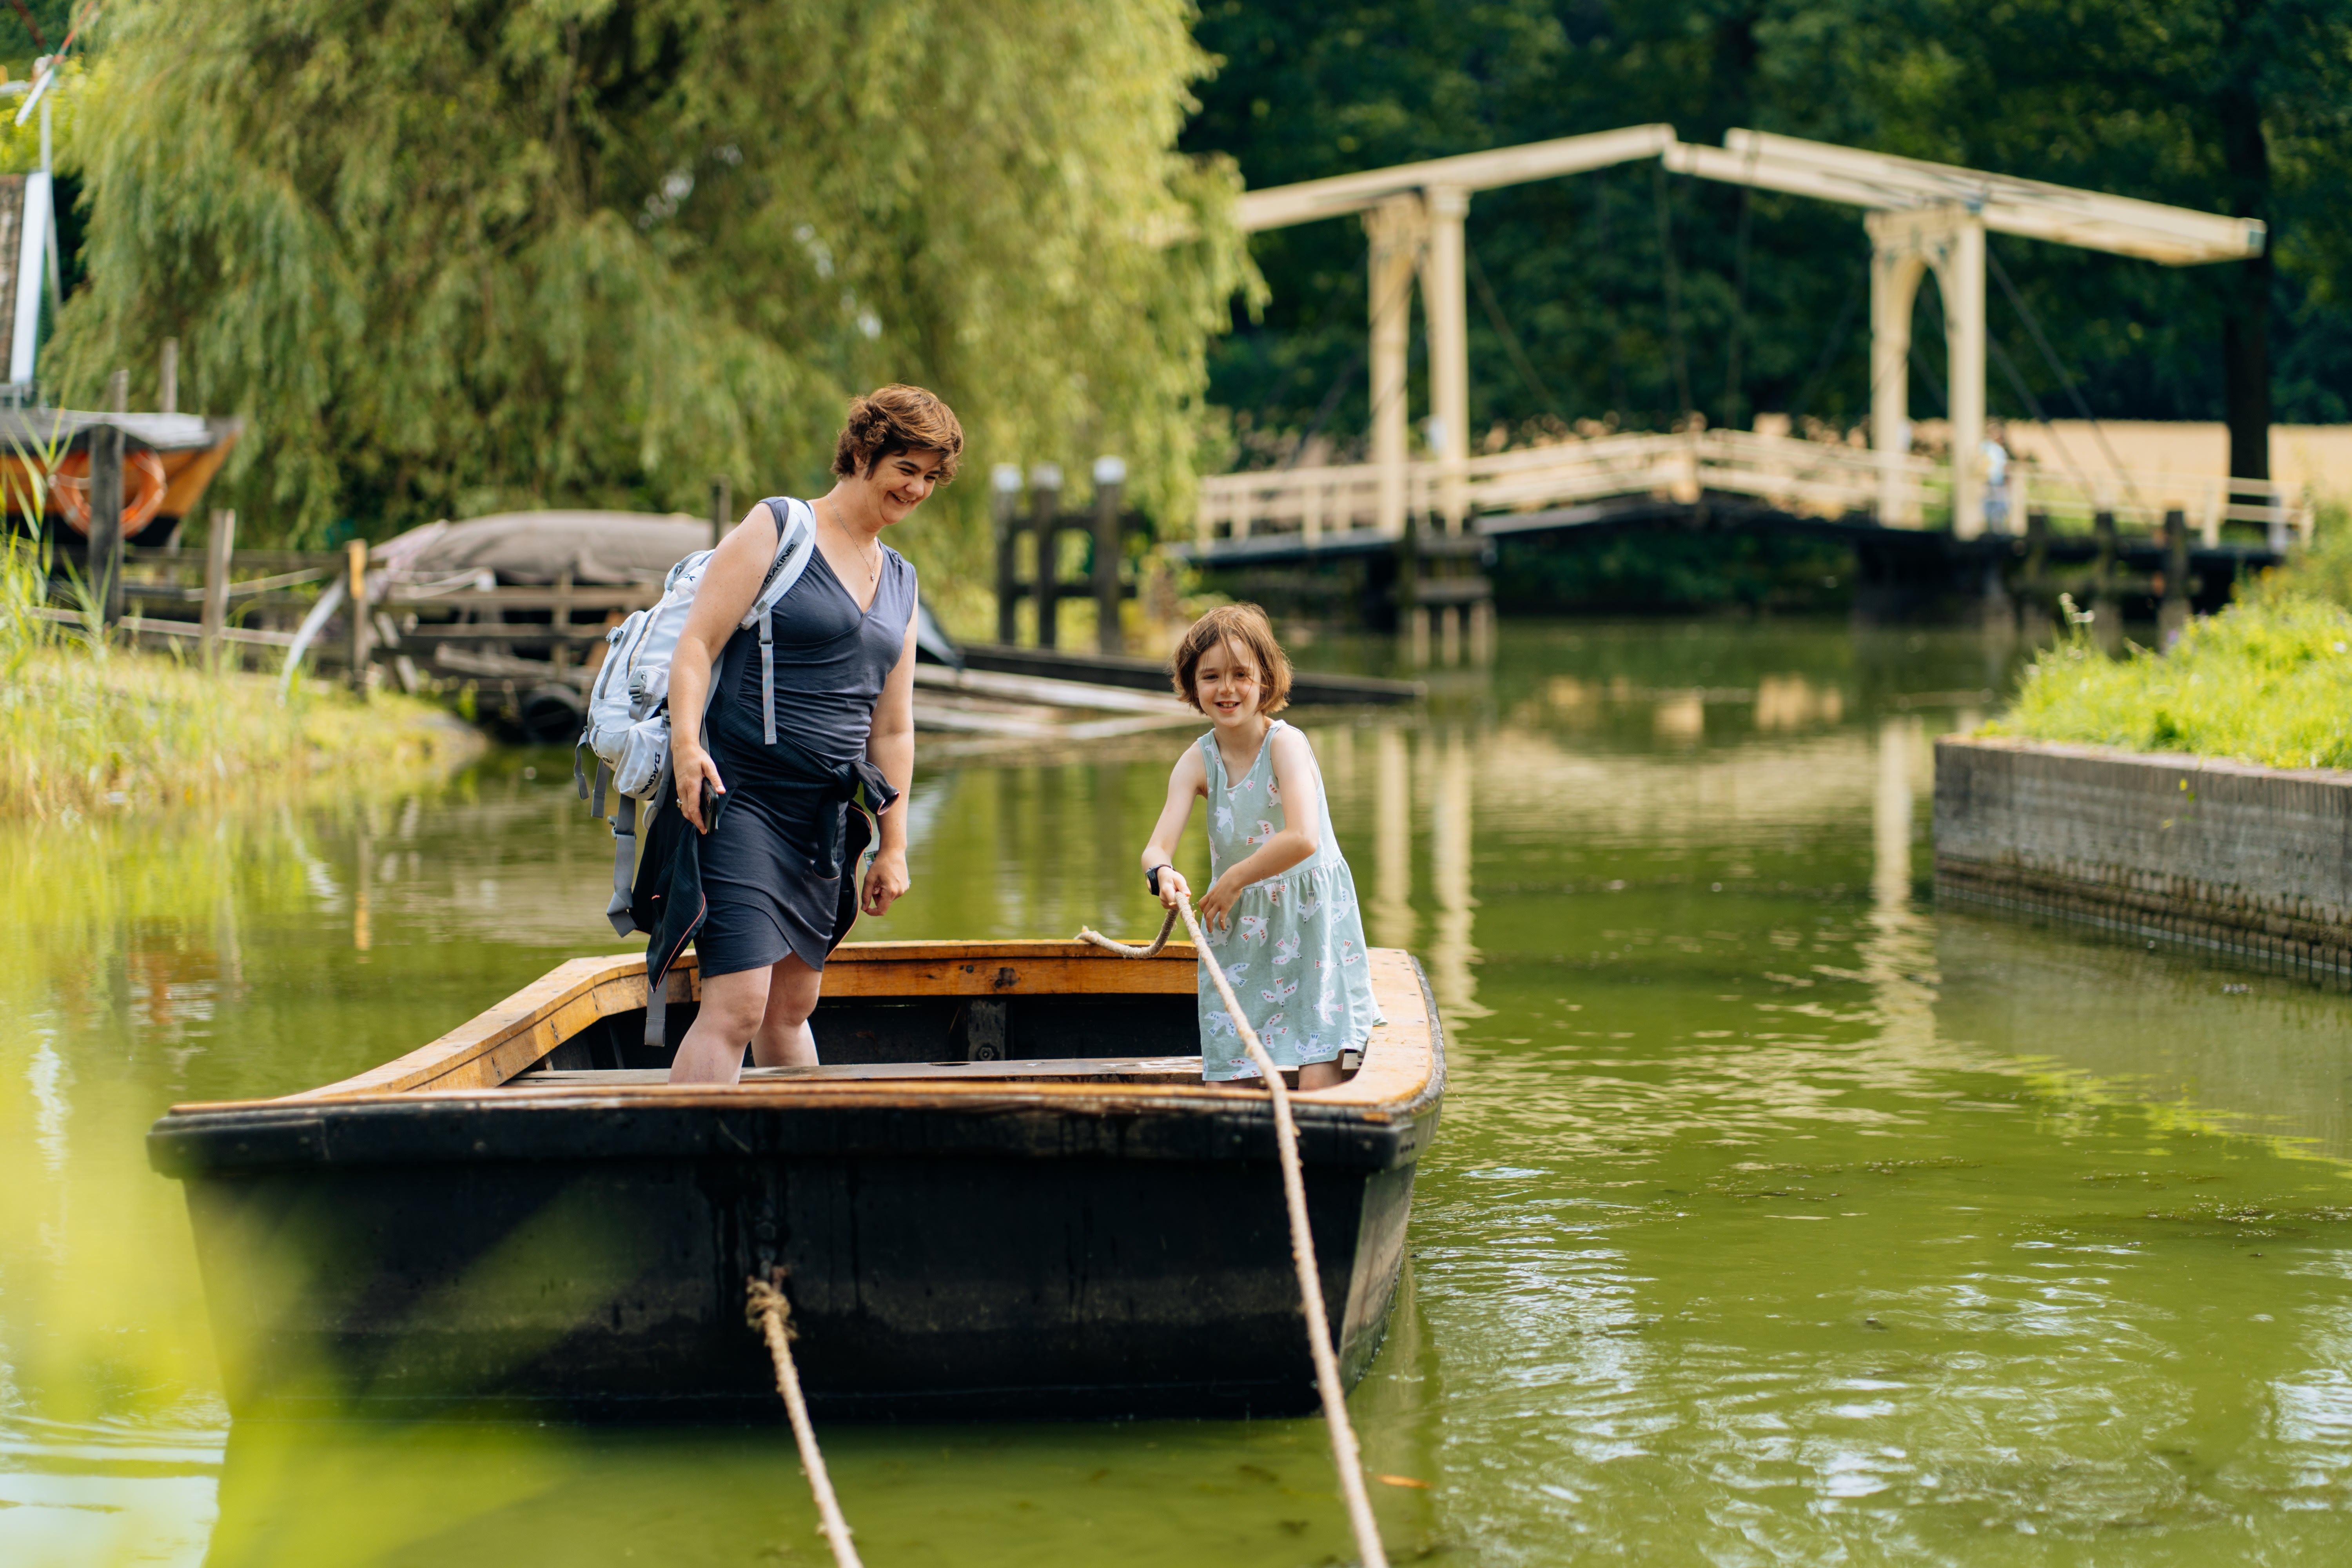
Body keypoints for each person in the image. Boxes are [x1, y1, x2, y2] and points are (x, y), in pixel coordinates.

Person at [662, 385, 960, 1085]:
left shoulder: (902, 582)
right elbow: (697, 646)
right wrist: (685, 747)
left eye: (930, 477)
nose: (917, 489)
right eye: (906, 469)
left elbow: (891, 727)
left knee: (791, 1009)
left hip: (825, 817)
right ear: (861, 452)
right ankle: (689, 1170)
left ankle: (796, 1172)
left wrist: (894, 845)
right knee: (738, 1005)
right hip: (742, 798)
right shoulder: (779, 528)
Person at [1138, 605, 1384, 1089]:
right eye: (1211, 676)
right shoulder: (1197, 761)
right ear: (1193, 684)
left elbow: (1303, 837)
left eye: (1240, 675)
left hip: (1307, 918)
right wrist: (1162, 873)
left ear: (1265, 679)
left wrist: (1232, 878)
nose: (1226, 689)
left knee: (1317, 1073)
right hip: (1242, 926)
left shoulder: (1284, 745)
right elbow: (1156, 848)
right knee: (1235, 1071)